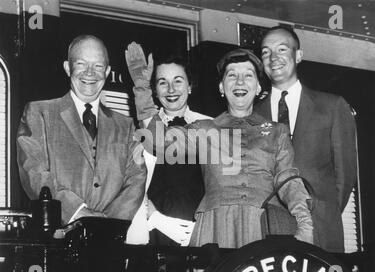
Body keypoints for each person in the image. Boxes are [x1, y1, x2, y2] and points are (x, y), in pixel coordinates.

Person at [134, 47, 314, 249]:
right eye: (232, 76)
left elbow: (289, 180)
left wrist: (304, 223)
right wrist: (142, 88)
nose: (239, 82)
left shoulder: (277, 132)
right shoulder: (205, 129)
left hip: (263, 227)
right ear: (221, 87)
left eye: (248, 75)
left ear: (257, 87)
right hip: (215, 228)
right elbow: (158, 142)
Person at [17, 35, 147, 226]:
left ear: (108, 71)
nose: (89, 73)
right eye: (81, 64)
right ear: (68, 68)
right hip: (56, 238)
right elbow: (34, 173)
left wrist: (105, 226)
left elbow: (136, 180)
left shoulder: (125, 126)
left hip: (110, 241)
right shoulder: (39, 113)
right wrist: (77, 213)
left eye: (98, 66)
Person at [255, 26, 357, 252]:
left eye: (282, 49)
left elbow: (345, 175)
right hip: (271, 234)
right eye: (265, 52)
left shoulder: (332, 106)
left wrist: (323, 212)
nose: (273, 58)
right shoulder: (253, 116)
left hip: (322, 231)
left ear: (298, 55)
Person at [126, 43, 211, 247]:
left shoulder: (211, 126)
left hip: (199, 233)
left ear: (190, 86)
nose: (171, 89)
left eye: (178, 81)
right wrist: (153, 215)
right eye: (163, 82)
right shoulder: (138, 132)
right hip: (152, 231)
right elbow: (130, 183)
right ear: (154, 90)